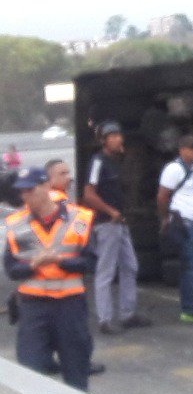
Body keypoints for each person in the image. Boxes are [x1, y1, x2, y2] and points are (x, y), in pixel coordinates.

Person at [3, 167, 96, 390]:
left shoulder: (79, 220)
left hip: (69, 306)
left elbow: (90, 263)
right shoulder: (17, 224)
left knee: (76, 373)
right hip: (33, 307)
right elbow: (12, 269)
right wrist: (34, 265)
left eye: (30, 190)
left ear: (46, 187)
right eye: (22, 192)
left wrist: (59, 261)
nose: (25, 196)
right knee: (31, 371)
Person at [82, 121, 152, 334]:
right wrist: (110, 211)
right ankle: (105, 319)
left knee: (130, 266)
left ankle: (127, 313)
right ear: (103, 140)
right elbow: (88, 194)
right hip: (107, 223)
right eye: (112, 136)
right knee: (106, 270)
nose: (117, 139)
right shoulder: (98, 161)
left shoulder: (117, 161)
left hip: (120, 222)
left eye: (119, 135)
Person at [44, 158, 106, 376]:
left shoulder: (34, 208)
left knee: (48, 323)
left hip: (41, 282)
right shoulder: (73, 211)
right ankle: (80, 362)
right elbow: (79, 239)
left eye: (68, 173)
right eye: (62, 173)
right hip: (68, 280)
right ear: (49, 179)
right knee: (75, 328)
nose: (69, 177)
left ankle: (46, 359)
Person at [157, 135, 193, 323]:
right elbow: (162, 196)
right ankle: (190, 308)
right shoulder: (174, 169)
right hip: (184, 222)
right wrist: (165, 218)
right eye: (192, 148)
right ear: (182, 149)